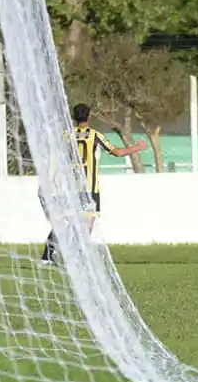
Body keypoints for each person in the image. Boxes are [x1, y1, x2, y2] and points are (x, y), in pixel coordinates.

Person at [40, 104, 150, 265]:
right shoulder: (95, 135)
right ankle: (77, 256)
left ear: (74, 117)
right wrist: (138, 147)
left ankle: (48, 256)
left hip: (71, 186)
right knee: (87, 224)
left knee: (65, 222)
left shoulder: (66, 135)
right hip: (89, 187)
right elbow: (117, 152)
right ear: (89, 116)